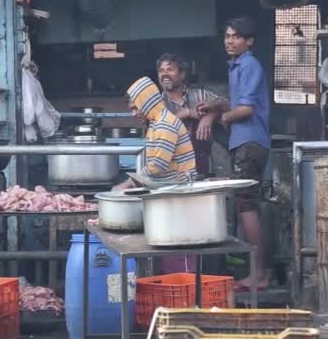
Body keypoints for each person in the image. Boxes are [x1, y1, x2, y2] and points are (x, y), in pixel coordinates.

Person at [198, 16, 271, 291]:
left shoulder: (250, 64)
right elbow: (238, 101)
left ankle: (260, 274)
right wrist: (218, 104)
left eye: (236, 36)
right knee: (245, 207)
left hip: (250, 141)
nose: (230, 41)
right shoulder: (237, 66)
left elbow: (247, 110)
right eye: (227, 36)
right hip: (243, 142)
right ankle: (258, 272)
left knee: (247, 207)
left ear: (249, 41)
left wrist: (222, 117)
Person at [113, 76, 197, 190]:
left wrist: (129, 183)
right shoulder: (155, 122)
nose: (133, 114)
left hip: (180, 190)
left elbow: (158, 166)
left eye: (135, 108)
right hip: (171, 189)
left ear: (146, 103)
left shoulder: (164, 124)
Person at [156, 53, 227, 176]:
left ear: (182, 74)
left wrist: (210, 116)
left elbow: (227, 105)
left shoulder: (200, 95)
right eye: (161, 71)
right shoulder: (157, 104)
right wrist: (186, 113)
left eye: (170, 69)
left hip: (207, 166)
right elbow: (159, 129)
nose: (165, 74)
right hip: (174, 171)